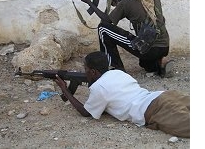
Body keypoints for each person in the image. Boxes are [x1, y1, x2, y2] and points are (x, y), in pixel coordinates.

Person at [55, 51, 190, 138]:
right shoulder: (118, 73)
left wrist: (65, 90)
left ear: (94, 72)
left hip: (155, 110)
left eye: (86, 69)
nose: (85, 72)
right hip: (164, 95)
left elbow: (86, 112)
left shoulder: (99, 87)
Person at [77, 0, 172, 77]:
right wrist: (118, 3)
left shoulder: (126, 3)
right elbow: (139, 7)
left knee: (103, 28)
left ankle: (115, 68)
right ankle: (161, 63)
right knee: (145, 64)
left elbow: (106, 21)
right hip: (164, 46)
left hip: (148, 49)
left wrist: (89, 2)